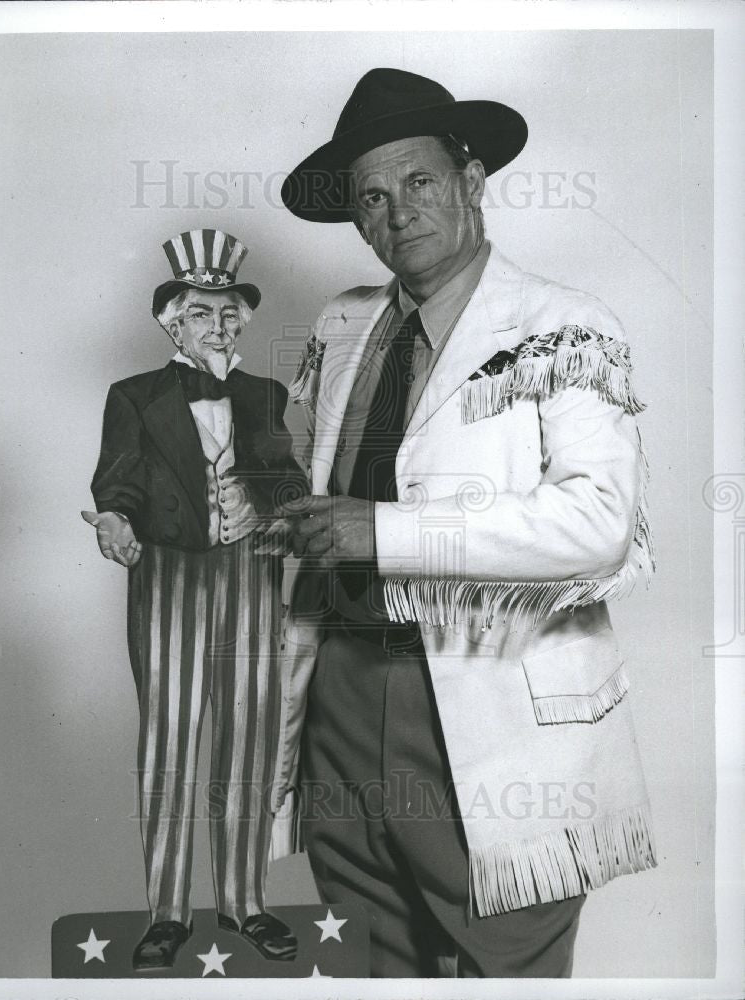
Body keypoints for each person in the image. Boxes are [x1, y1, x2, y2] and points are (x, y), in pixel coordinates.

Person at [273, 69, 657, 978]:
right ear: (357, 221)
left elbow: (601, 523)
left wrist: (391, 533)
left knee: (504, 970)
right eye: (373, 197)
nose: (398, 212)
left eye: (418, 182)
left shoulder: (564, 324)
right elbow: (339, 481)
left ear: (471, 182)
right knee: (369, 964)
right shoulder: (342, 325)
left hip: (490, 708)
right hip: (343, 691)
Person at [82, 229, 307, 970]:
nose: (218, 327)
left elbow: (288, 483)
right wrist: (113, 520)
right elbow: (114, 484)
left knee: (247, 736)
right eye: (202, 315)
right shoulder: (134, 396)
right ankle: (169, 914)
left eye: (228, 315)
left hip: (249, 575)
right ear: (173, 324)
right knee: (172, 740)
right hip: (170, 576)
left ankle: (245, 905)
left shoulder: (263, 395)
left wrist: (265, 507)